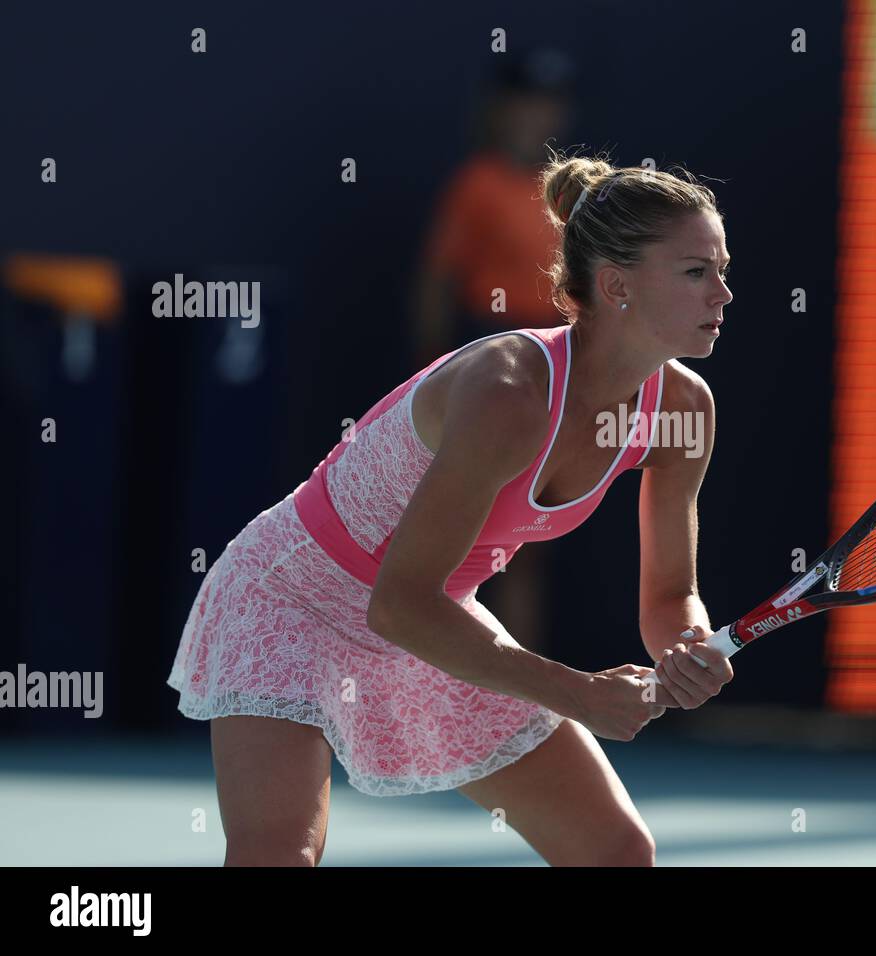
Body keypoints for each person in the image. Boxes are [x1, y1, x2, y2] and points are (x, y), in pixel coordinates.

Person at [166, 150, 735, 867]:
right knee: (278, 856)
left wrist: (687, 645)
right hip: (293, 600)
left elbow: (671, 594)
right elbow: (398, 606)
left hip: (432, 614)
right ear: (617, 284)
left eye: (721, 269)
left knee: (615, 851)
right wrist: (580, 693)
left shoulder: (684, 410)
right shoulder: (507, 391)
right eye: (695, 272)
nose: (723, 293)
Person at [412, 49, 576, 661]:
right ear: (499, 110)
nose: (536, 116)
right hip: (491, 359)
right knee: (464, 533)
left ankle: (516, 694)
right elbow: (436, 278)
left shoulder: (568, 190)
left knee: (529, 542)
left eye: (548, 104)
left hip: (558, 366)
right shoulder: (476, 184)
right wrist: (434, 370)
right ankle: (447, 679)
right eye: (524, 103)